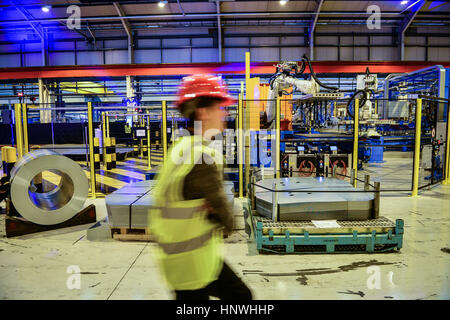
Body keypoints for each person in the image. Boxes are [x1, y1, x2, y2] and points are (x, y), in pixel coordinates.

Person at [149, 74, 252, 300]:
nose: (224, 114)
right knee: (242, 298)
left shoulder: (181, 147)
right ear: (203, 112)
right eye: (219, 107)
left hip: (181, 259)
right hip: (193, 263)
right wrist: (220, 217)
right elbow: (225, 218)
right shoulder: (202, 156)